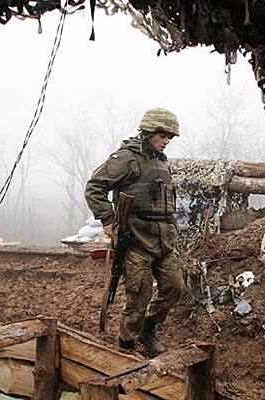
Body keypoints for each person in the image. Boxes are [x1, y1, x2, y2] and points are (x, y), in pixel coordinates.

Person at [85, 107, 184, 355]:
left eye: (169, 138)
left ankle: (148, 329)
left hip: (164, 240)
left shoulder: (161, 161)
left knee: (175, 288)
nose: (166, 142)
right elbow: (95, 187)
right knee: (138, 296)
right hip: (136, 239)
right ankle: (126, 345)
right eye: (163, 136)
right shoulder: (128, 158)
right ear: (149, 132)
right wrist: (108, 219)